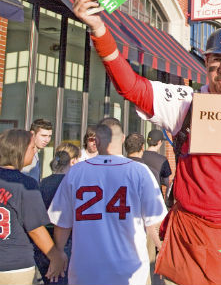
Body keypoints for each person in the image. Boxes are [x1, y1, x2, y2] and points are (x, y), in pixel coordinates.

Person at [71, 0, 221, 285]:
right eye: (215, 59)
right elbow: (130, 86)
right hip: (191, 237)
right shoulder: (184, 102)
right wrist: (99, 29)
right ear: (206, 62)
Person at [48, 118, 167, 285]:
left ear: (96, 141)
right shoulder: (140, 172)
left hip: (86, 270)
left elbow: (62, 221)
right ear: (123, 138)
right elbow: (155, 222)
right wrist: (164, 254)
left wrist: (58, 252)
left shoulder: (76, 172)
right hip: (129, 271)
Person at [0, 129, 67, 284]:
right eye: (32, 148)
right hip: (15, 265)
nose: (35, 151)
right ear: (19, 151)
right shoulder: (24, 183)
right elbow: (35, 228)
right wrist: (55, 256)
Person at [34, 143, 80, 285]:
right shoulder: (71, 183)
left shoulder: (42, 183)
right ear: (73, 161)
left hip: (43, 246)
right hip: (66, 244)